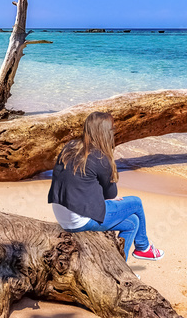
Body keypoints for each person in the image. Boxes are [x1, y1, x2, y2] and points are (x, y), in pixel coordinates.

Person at [48, 111, 164, 262]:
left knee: (132, 223)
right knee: (136, 202)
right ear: (106, 133)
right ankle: (143, 248)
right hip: (80, 218)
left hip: (62, 213)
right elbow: (111, 194)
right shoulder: (101, 157)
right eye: (113, 130)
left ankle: (120, 266)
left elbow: (77, 183)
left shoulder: (70, 147)